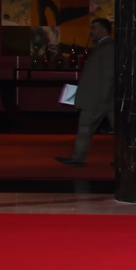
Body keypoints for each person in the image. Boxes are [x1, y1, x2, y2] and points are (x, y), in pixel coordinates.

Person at [56, 18, 113, 167]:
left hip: (97, 97)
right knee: (118, 129)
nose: (91, 31)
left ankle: (78, 158)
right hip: (102, 96)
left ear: (104, 30)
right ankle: (127, 160)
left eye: (94, 28)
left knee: (85, 126)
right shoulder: (104, 46)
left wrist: (105, 94)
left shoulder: (107, 47)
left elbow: (109, 73)